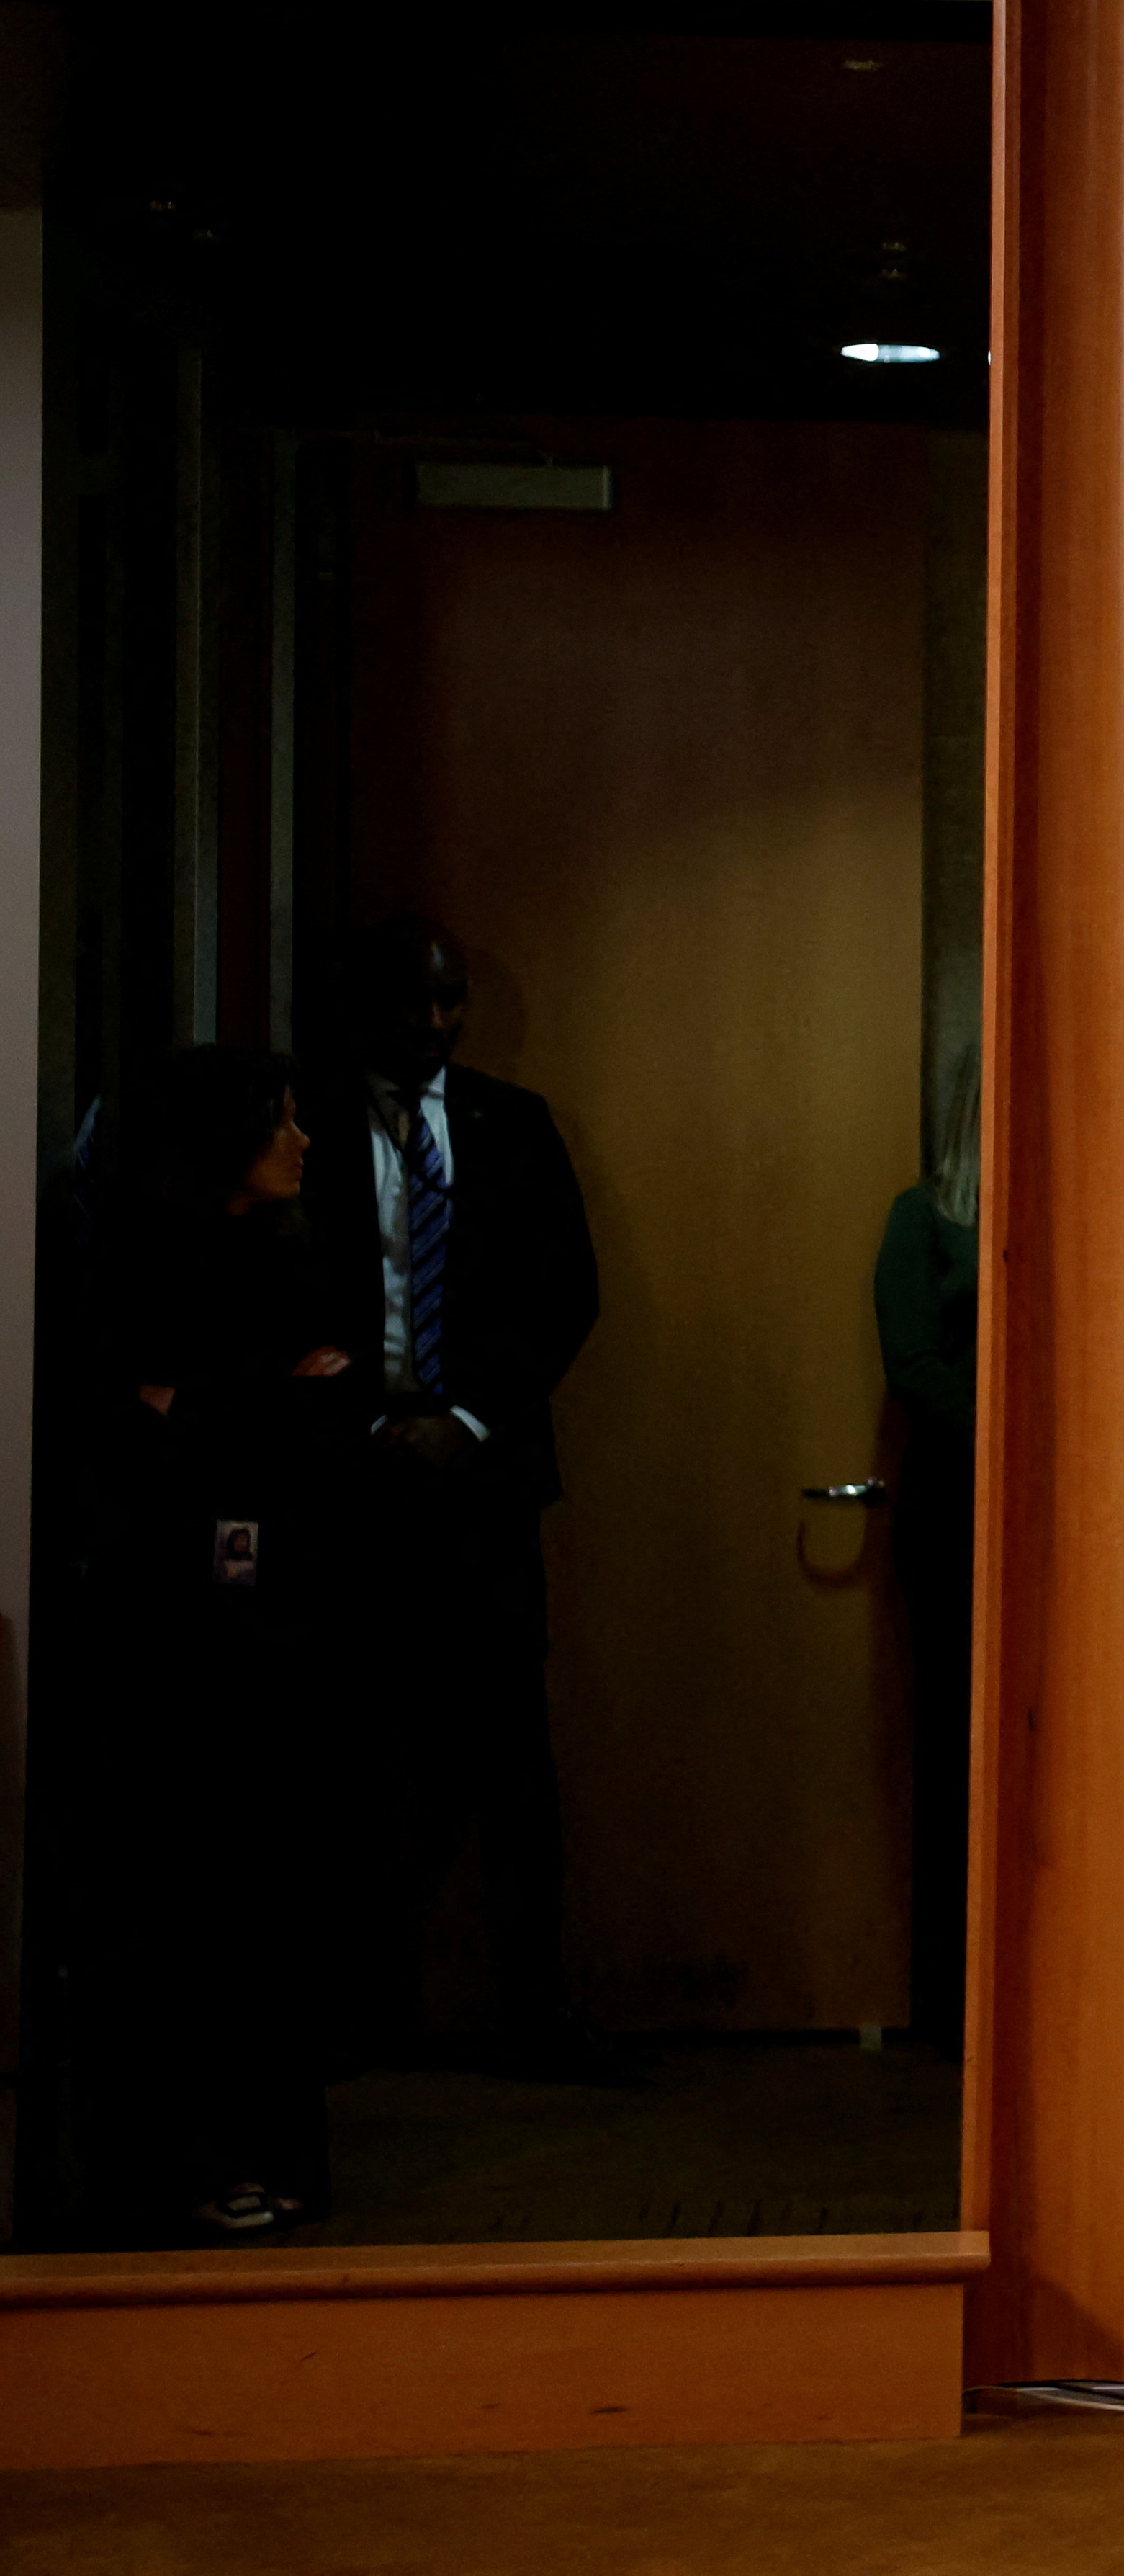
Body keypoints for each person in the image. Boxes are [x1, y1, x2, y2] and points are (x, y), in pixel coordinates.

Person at [302, 917, 606, 2077]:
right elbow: (284, 1297)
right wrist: (367, 1425)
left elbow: (564, 1291)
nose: (437, 1023)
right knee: (355, 1750)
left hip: (484, 1482)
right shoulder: (309, 1125)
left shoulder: (509, 1125)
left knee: (511, 1754)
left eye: (453, 1000)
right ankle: (359, 2014)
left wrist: (467, 1416)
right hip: (349, 1479)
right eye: (416, 1001)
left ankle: (539, 2007)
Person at [76, 1046, 364, 2235]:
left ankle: (275, 2150)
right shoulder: (127, 1259)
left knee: (273, 1901)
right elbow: (137, 1425)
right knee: (183, 1903)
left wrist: (209, 1407)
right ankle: (186, 2164)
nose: (303, 1141)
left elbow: (321, 1404)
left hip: (282, 1622)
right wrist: (244, 1405)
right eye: (279, 1121)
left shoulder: (288, 1254)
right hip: (175, 1635)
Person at [873, 1059, 979, 2048]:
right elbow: (911, 1361)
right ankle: (952, 2003)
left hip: (1080, 1514)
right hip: (959, 1502)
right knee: (958, 1748)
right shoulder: (926, 1216)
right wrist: (1013, 1435)